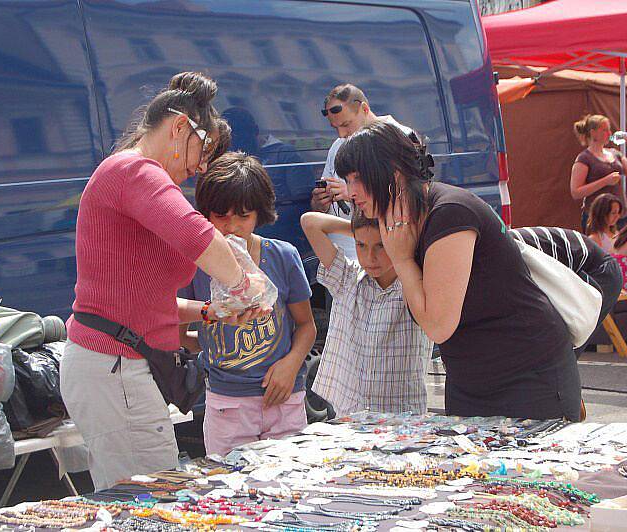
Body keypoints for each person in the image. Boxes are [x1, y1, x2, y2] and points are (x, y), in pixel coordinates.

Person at [60, 72, 268, 490]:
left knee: (140, 495)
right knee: (154, 497)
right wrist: (247, 286)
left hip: (114, 362)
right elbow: (199, 237)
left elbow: (146, 300)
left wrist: (211, 311)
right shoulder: (135, 171)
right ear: (178, 128)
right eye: (202, 150)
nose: (201, 167)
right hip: (114, 365)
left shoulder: (129, 174)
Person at [335, 121, 581, 421]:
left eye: (358, 178)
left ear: (392, 170)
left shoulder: (448, 212)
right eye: (347, 180)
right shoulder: (405, 217)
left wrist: (402, 260)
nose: (350, 192)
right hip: (472, 375)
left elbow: (438, 325)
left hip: (526, 373)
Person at [178, 152, 316, 457]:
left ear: (259, 214)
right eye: (221, 216)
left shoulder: (282, 255)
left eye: (243, 216)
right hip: (227, 406)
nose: (232, 226)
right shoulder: (194, 264)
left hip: (284, 399)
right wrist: (205, 341)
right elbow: (177, 329)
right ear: (206, 215)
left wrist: (291, 364)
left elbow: (306, 325)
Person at [300, 210, 433, 416]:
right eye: (361, 245)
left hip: (402, 413)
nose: (370, 257)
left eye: (381, 245)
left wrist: (387, 234)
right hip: (349, 408)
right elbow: (310, 222)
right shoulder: (347, 278)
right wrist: (362, 230)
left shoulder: (415, 285)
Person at [311, 84, 414, 260]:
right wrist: (321, 202)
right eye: (335, 128)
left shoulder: (399, 137)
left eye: (346, 124)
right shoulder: (338, 146)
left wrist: (350, 192)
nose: (342, 134)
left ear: (364, 109)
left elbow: (409, 198)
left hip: (383, 257)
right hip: (344, 256)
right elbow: (322, 208)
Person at [510, 226, 623, 358]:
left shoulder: (506, 256)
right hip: (573, 262)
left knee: (565, 345)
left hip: (596, 268)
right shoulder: (497, 251)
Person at [570, 114, 627, 228]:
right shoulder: (584, 158)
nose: (609, 134)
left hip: (620, 216)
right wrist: (605, 181)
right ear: (593, 132)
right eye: (604, 130)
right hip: (597, 218)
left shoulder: (614, 154)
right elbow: (576, 192)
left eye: (609, 130)